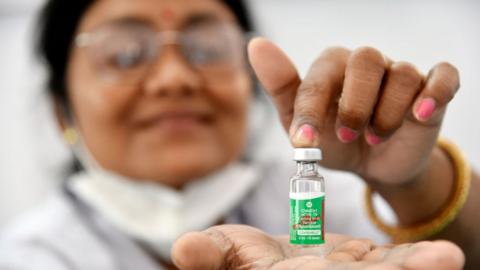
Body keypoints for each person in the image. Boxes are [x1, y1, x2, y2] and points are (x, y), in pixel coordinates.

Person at [0, 0, 478, 269]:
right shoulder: (33, 256)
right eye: (126, 54)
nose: (175, 79)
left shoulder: (327, 204)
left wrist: (412, 183)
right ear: (61, 111)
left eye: (207, 48)